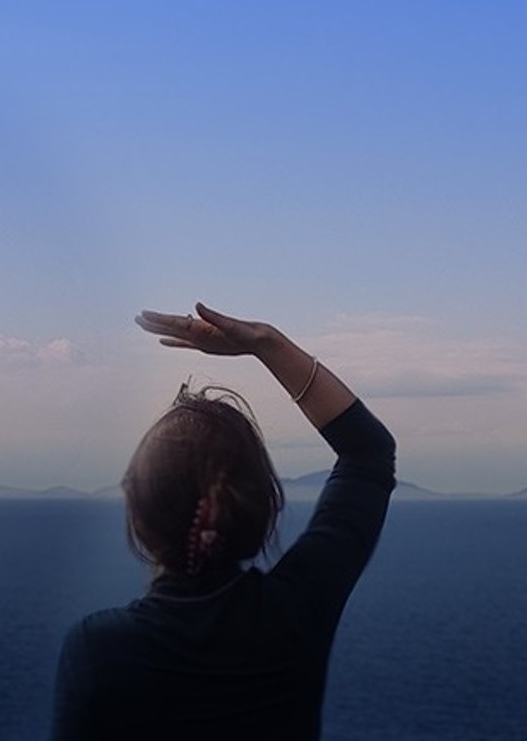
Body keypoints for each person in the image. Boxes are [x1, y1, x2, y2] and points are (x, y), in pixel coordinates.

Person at [51, 304, 396, 740]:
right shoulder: (294, 613)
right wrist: (265, 343)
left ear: (139, 511)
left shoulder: (96, 649)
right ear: (260, 506)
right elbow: (368, 452)